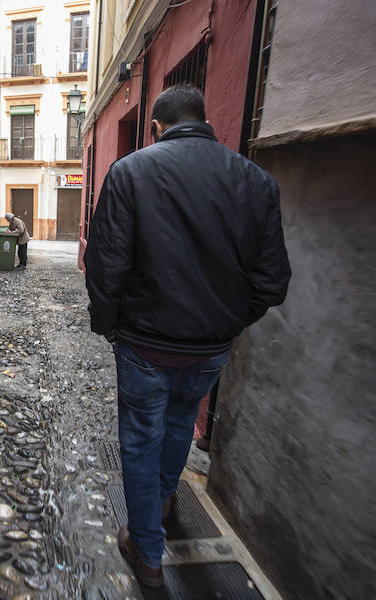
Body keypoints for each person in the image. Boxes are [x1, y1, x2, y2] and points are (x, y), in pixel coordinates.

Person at [84, 85, 290, 589]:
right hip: (209, 351)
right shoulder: (256, 182)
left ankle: (147, 551)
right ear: (205, 120)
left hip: (145, 345)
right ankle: (165, 499)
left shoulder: (129, 172)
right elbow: (272, 282)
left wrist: (109, 324)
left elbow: (105, 265)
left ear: (155, 127)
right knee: (179, 426)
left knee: (139, 439)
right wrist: (225, 323)